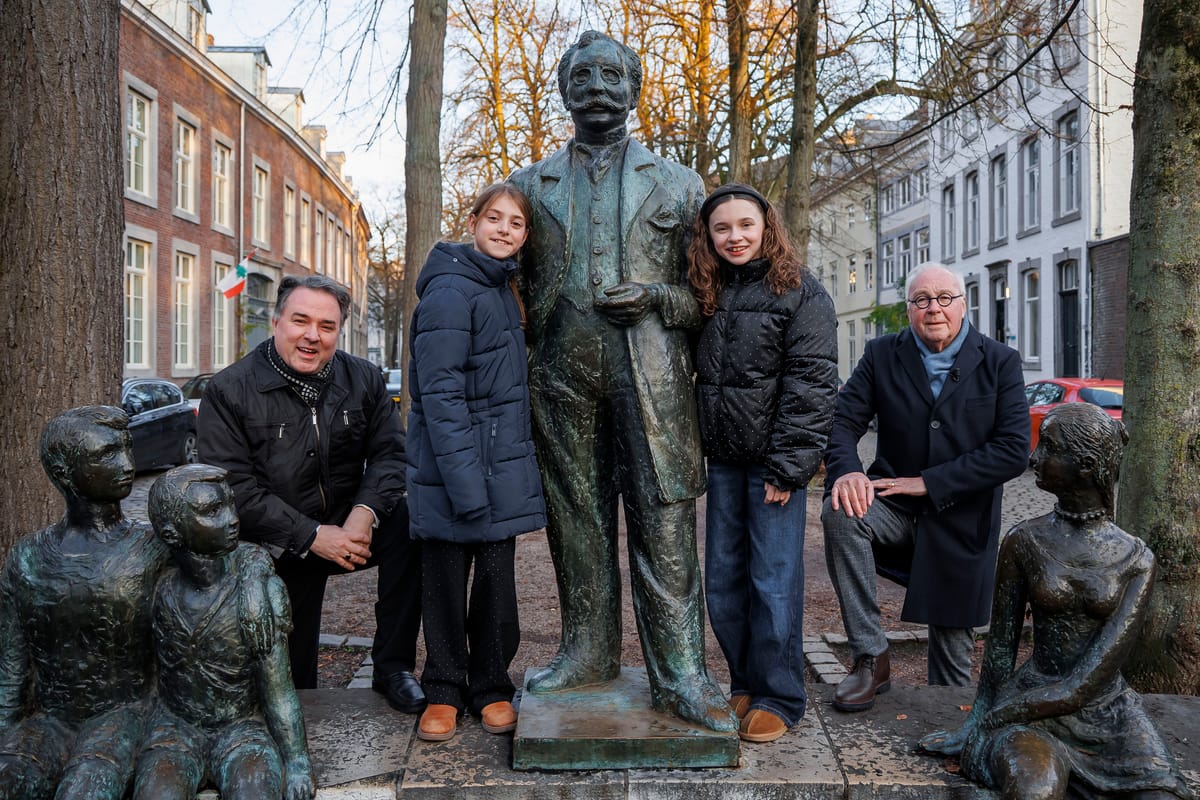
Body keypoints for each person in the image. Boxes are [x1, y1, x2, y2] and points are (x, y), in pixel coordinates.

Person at [507, 30, 735, 732]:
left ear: (635, 89)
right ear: (564, 90)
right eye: (583, 76)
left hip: (653, 375)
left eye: (612, 75)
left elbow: (707, 297)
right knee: (576, 520)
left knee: (664, 520)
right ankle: (587, 655)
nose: (597, 87)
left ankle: (681, 673)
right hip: (561, 376)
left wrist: (657, 297)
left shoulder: (681, 183)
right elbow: (510, 286)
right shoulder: (528, 186)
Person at [920, 404, 1193, 799]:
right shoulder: (1024, 541)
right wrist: (979, 721)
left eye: (1048, 446)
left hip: (1108, 713)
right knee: (1037, 791)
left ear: (1085, 466)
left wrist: (1002, 713)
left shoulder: (1136, 560)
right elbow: (1000, 650)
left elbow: (1083, 686)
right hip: (1032, 709)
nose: (1034, 457)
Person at [197, 275, 424, 710]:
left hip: (349, 523)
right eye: (300, 321)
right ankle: (293, 690)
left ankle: (393, 667)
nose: (312, 336)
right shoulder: (229, 390)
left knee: (412, 524)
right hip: (277, 540)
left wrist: (364, 513)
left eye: (326, 326)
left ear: (339, 332)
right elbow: (232, 487)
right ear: (277, 322)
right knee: (295, 684)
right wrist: (311, 535)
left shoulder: (364, 378)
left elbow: (391, 454)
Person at [822, 262, 1029, 711]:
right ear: (909, 309)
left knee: (952, 672)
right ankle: (870, 656)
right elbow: (841, 421)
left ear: (963, 304)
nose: (934, 308)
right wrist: (848, 471)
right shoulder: (881, 354)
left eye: (944, 298)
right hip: (893, 508)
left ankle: (949, 723)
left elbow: (1014, 450)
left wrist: (929, 483)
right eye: (921, 300)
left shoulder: (1001, 361)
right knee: (841, 511)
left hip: (961, 523)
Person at [688, 184, 838, 742]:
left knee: (773, 583)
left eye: (745, 225)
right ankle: (745, 681)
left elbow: (813, 381)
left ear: (766, 226)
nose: (735, 237)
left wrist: (790, 466)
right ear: (708, 236)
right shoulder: (707, 290)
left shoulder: (800, 291)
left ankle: (781, 695)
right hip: (724, 462)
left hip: (773, 466)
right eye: (722, 228)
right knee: (724, 582)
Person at [405, 184, 547, 743]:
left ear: (525, 235)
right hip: (454, 473)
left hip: (497, 469)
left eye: (516, 223)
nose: (504, 229)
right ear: (472, 221)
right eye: (494, 218)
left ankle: (491, 687)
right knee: (443, 585)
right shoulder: (450, 290)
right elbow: (439, 396)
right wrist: (466, 486)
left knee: (496, 587)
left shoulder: (501, 287)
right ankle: (443, 690)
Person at [0, 406, 169, 799]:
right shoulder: (27, 559)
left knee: (86, 786)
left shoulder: (155, 549)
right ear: (64, 472)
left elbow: (224, 564)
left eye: (126, 448)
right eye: (106, 454)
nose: (127, 464)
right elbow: (12, 667)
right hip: (50, 720)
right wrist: (6, 730)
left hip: (129, 715)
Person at [135, 464, 314, 800]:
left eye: (230, 504)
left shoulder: (259, 595)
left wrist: (297, 762)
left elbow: (278, 689)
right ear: (172, 534)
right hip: (175, 732)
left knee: (255, 791)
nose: (232, 519)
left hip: (242, 730)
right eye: (212, 511)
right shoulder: (155, 589)